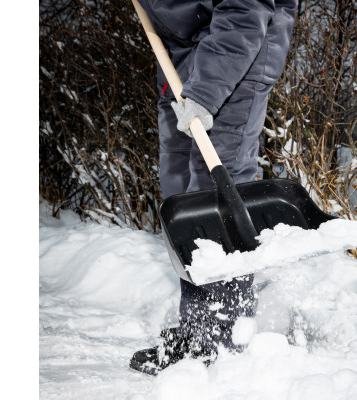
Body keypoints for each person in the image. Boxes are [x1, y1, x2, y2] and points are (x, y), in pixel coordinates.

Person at [130, 0, 298, 375]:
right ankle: (197, 328)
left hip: (237, 54)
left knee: (214, 192)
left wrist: (204, 93)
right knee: (180, 196)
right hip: (181, 61)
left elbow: (245, 10)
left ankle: (223, 335)